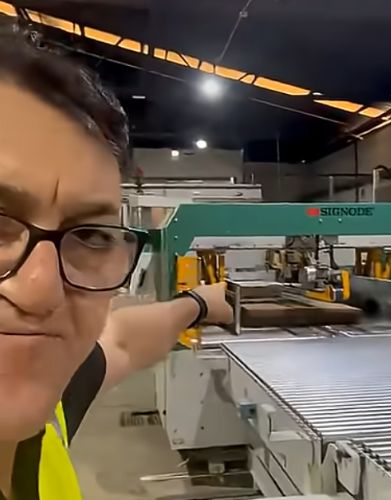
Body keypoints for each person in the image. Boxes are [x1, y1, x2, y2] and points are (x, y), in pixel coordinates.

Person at [0, 22, 233, 499]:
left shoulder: (48, 409)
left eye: (89, 235)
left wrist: (200, 303)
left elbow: (121, 340)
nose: (43, 290)